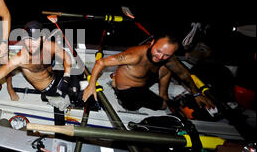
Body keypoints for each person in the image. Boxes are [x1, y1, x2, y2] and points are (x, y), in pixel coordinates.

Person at [0, 21, 81, 125]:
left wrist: (66, 76)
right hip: (48, 88)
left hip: (58, 75)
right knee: (76, 96)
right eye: (27, 39)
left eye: (35, 39)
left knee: (80, 80)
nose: (30, 44)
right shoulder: (21, 58)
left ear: (43, 38)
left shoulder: (49, 46)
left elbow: (65, 56)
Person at [82, 30, 215, 111]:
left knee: (167, 67)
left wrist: (196, 93)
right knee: (163, 106)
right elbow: (101, 62)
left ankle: (163, 95)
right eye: (158, 51)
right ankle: (117, 87)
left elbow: (184, 74)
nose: (160, 56)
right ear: (152, 43)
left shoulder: (166, 58)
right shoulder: (134, 56)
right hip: (130, 91)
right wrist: (91, 85)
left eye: (166, 55)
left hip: (144, 80)